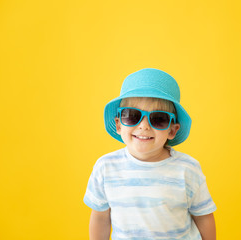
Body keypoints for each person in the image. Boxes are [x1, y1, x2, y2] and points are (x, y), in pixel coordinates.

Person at [83, 68, 217, 240]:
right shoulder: (106, 167)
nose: (144, 126)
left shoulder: (187, 168)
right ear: (118, 124)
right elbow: (100, 218)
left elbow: (203, 216)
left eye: (158, 118)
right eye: (132, 116)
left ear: (172, 130)